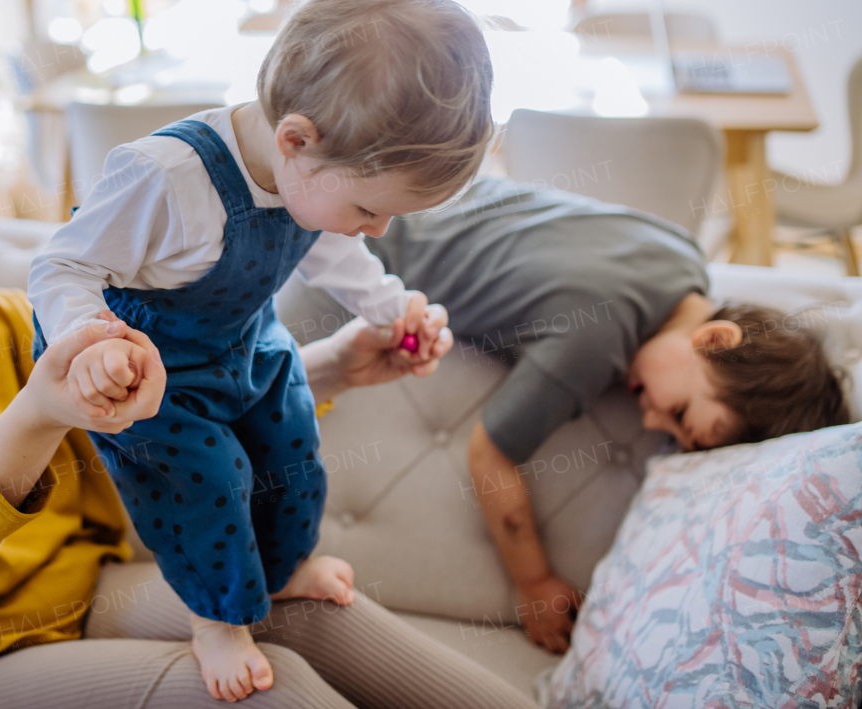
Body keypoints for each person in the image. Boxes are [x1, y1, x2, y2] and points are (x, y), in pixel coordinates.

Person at [0, 108, 539, 709]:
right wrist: (35, 410)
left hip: (83, 590)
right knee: (254, 694)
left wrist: (338, 368)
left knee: (316, 614)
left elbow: (152, 430)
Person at [27, 0, 494, 700]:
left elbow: (334, 244)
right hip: (151, 364)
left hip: (241, 342)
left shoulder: (308, 176)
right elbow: (61, 261)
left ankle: (284, 567)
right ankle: (216, 617)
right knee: (210, 475)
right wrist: (89, 344)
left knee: (292, 439)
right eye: (371, 206)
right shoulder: (165, 176)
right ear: (295, 140)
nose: (378, 226)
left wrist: (389, 307)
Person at [360, 176, 853, 654]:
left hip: (433, 189)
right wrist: (534, 582)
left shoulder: (684, 256)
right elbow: (489, 455)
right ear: (715, 339)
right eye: (681, 412)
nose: (655, 423)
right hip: (371, 249)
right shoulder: (594, 342)